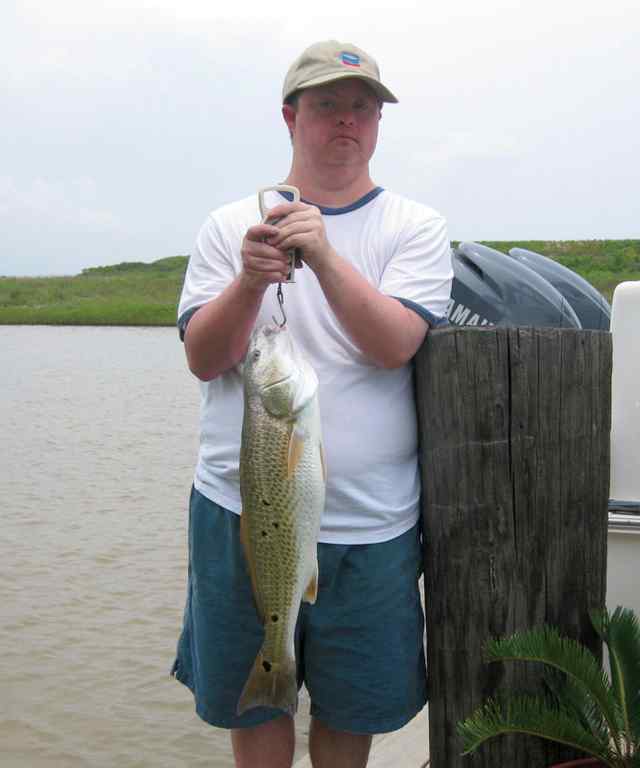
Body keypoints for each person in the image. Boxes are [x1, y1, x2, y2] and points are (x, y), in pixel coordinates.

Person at [172, 40, 453, 768]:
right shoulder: (228, 224)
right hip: (241, 510)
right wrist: (247, 283)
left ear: (378, 125)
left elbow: (394, 344)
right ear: (290, 117)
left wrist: (324, 256)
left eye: (363, 108)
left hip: (373, 521)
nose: (347, 122)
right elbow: (205, 358)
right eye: (327, 106)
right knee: (256, 700)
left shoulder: (413, 227)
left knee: (351, 709)